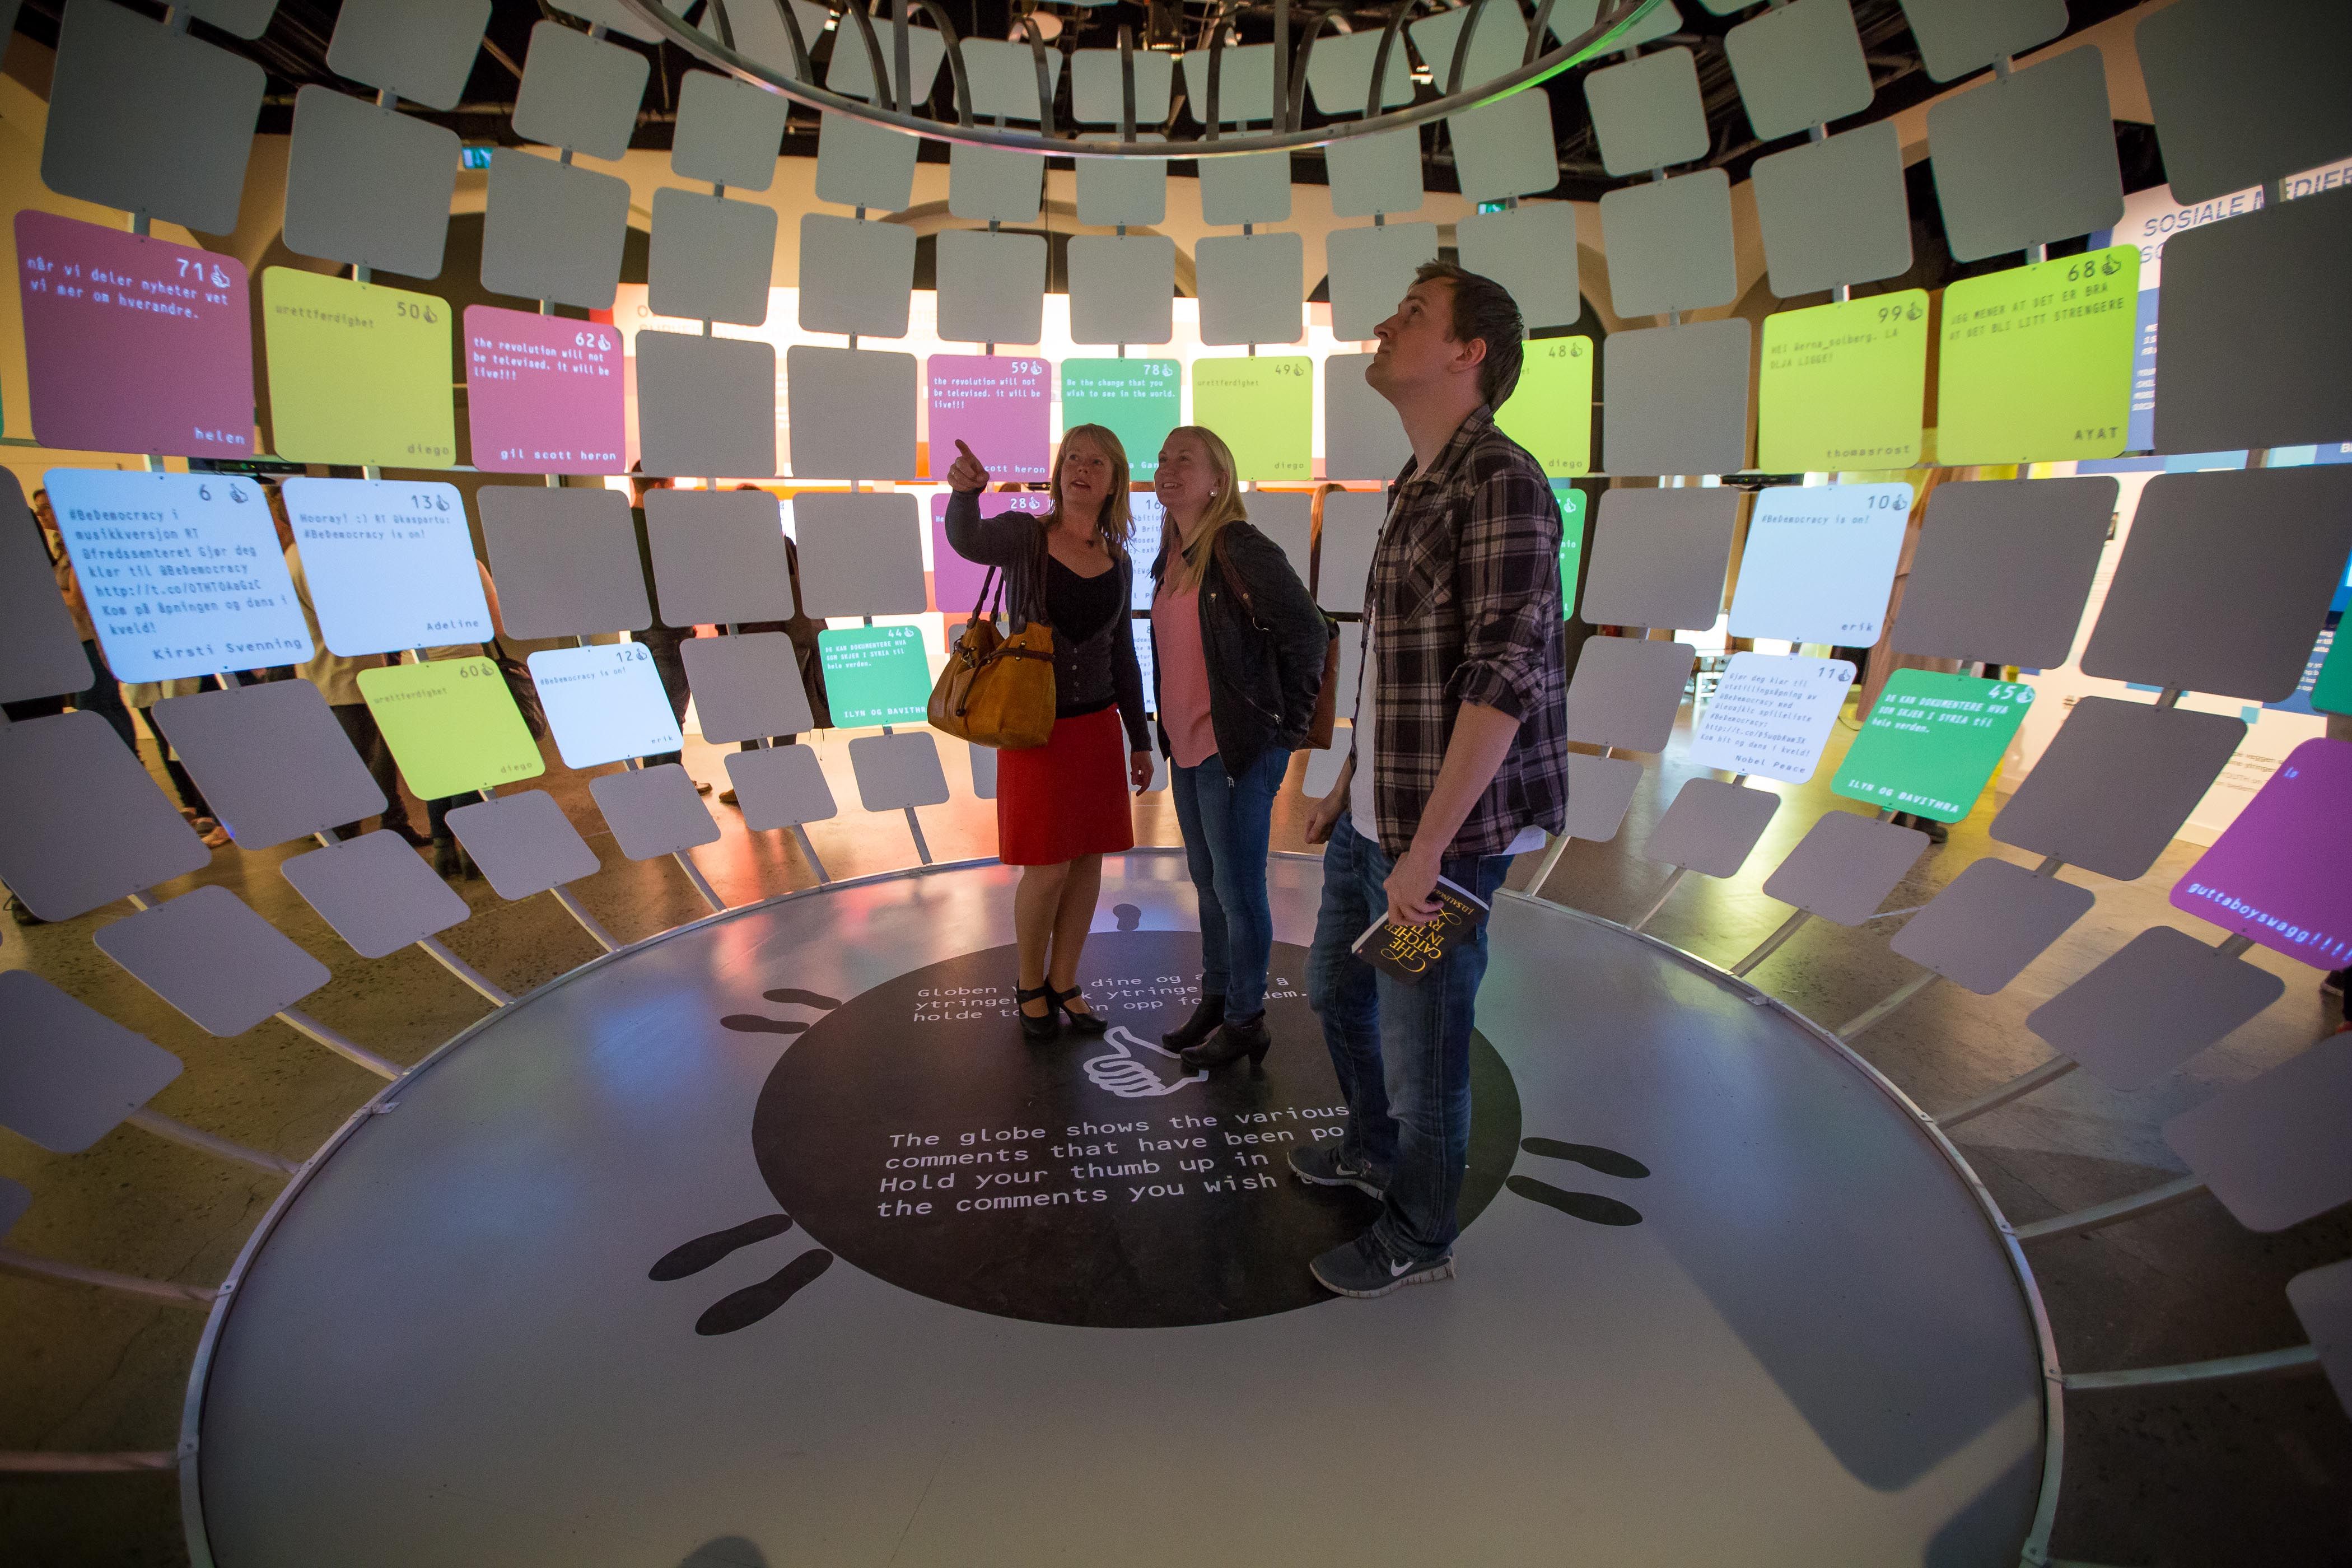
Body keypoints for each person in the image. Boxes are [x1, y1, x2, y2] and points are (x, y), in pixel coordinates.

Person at [1295, 262, 1570, 1299]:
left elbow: (1501, 681)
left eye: (1411, 314)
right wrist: (1348, 785)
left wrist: (1427, 852)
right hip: (1378, 825)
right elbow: (1402, 669)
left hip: (1438, 851)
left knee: (1424, 1046)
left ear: (1470, 353)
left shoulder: (1502, 481)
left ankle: (1419, 1232)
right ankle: (1372, 1151)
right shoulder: (1421, 479)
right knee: (1332, 990)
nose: (1382, 324)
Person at [945, 426, 1152, 1042]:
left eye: (1097, 462)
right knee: (1047, 867)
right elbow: (968, 540)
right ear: (1060, 471)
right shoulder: (1025, 535)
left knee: (1088, 861)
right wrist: (967, 494)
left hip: (1096, 728)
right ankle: (1029, 981)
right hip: (1035, 730)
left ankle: (1066, 981)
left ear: (1115, 480)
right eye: (1073, 460)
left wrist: (1139, 738)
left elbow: (1122, 654)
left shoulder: (1119, 560)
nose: (1081, 469)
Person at [1147, 426, 1330, 1070]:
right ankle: (1219, 998)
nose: (1168, 468)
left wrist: (1283, 732)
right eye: (1164, 458)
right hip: (1189, 748)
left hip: (1236, 751)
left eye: (1185, 459)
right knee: (1208, 882)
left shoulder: (1238, 545)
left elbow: (1309, 633)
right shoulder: (1172, 553)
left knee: (1239, 887)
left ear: (1218, 478)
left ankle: (1247, 1017)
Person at [274, 482, 431, 851]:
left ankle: (393, 823)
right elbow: (348, 616)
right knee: (355, 767)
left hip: (353, 676)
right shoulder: (306, 560)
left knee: (378, 757)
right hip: (341, 679)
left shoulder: (308, 556)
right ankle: (344, 842)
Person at [627, 466, 708, 790]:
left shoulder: (619, 526)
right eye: (672, 486)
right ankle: (671, 786)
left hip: (639, 632)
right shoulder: (666, 529)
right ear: (659, 486)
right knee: (671, 714)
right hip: (670, 630)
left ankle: (656, 782)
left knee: (653, 712)